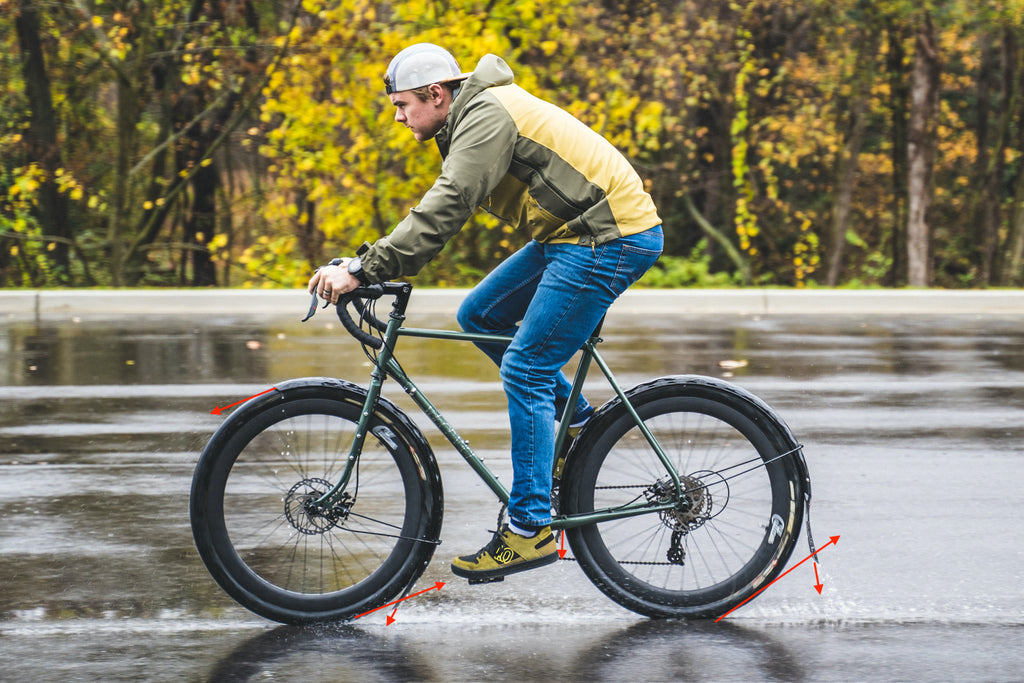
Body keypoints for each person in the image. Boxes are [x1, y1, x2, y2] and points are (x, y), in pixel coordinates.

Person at [308, 43, 663, 583]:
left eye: (403, 105)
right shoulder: (473, 111)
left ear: (436, 94)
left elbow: (450, 202)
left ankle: (529, 530)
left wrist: (365, 269)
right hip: (573, 233)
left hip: (607, 237)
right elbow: (453, 199)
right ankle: (577, 426)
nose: (400, 117)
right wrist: (367, 262)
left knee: (527, 368)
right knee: (479, 315)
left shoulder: (485, 115)